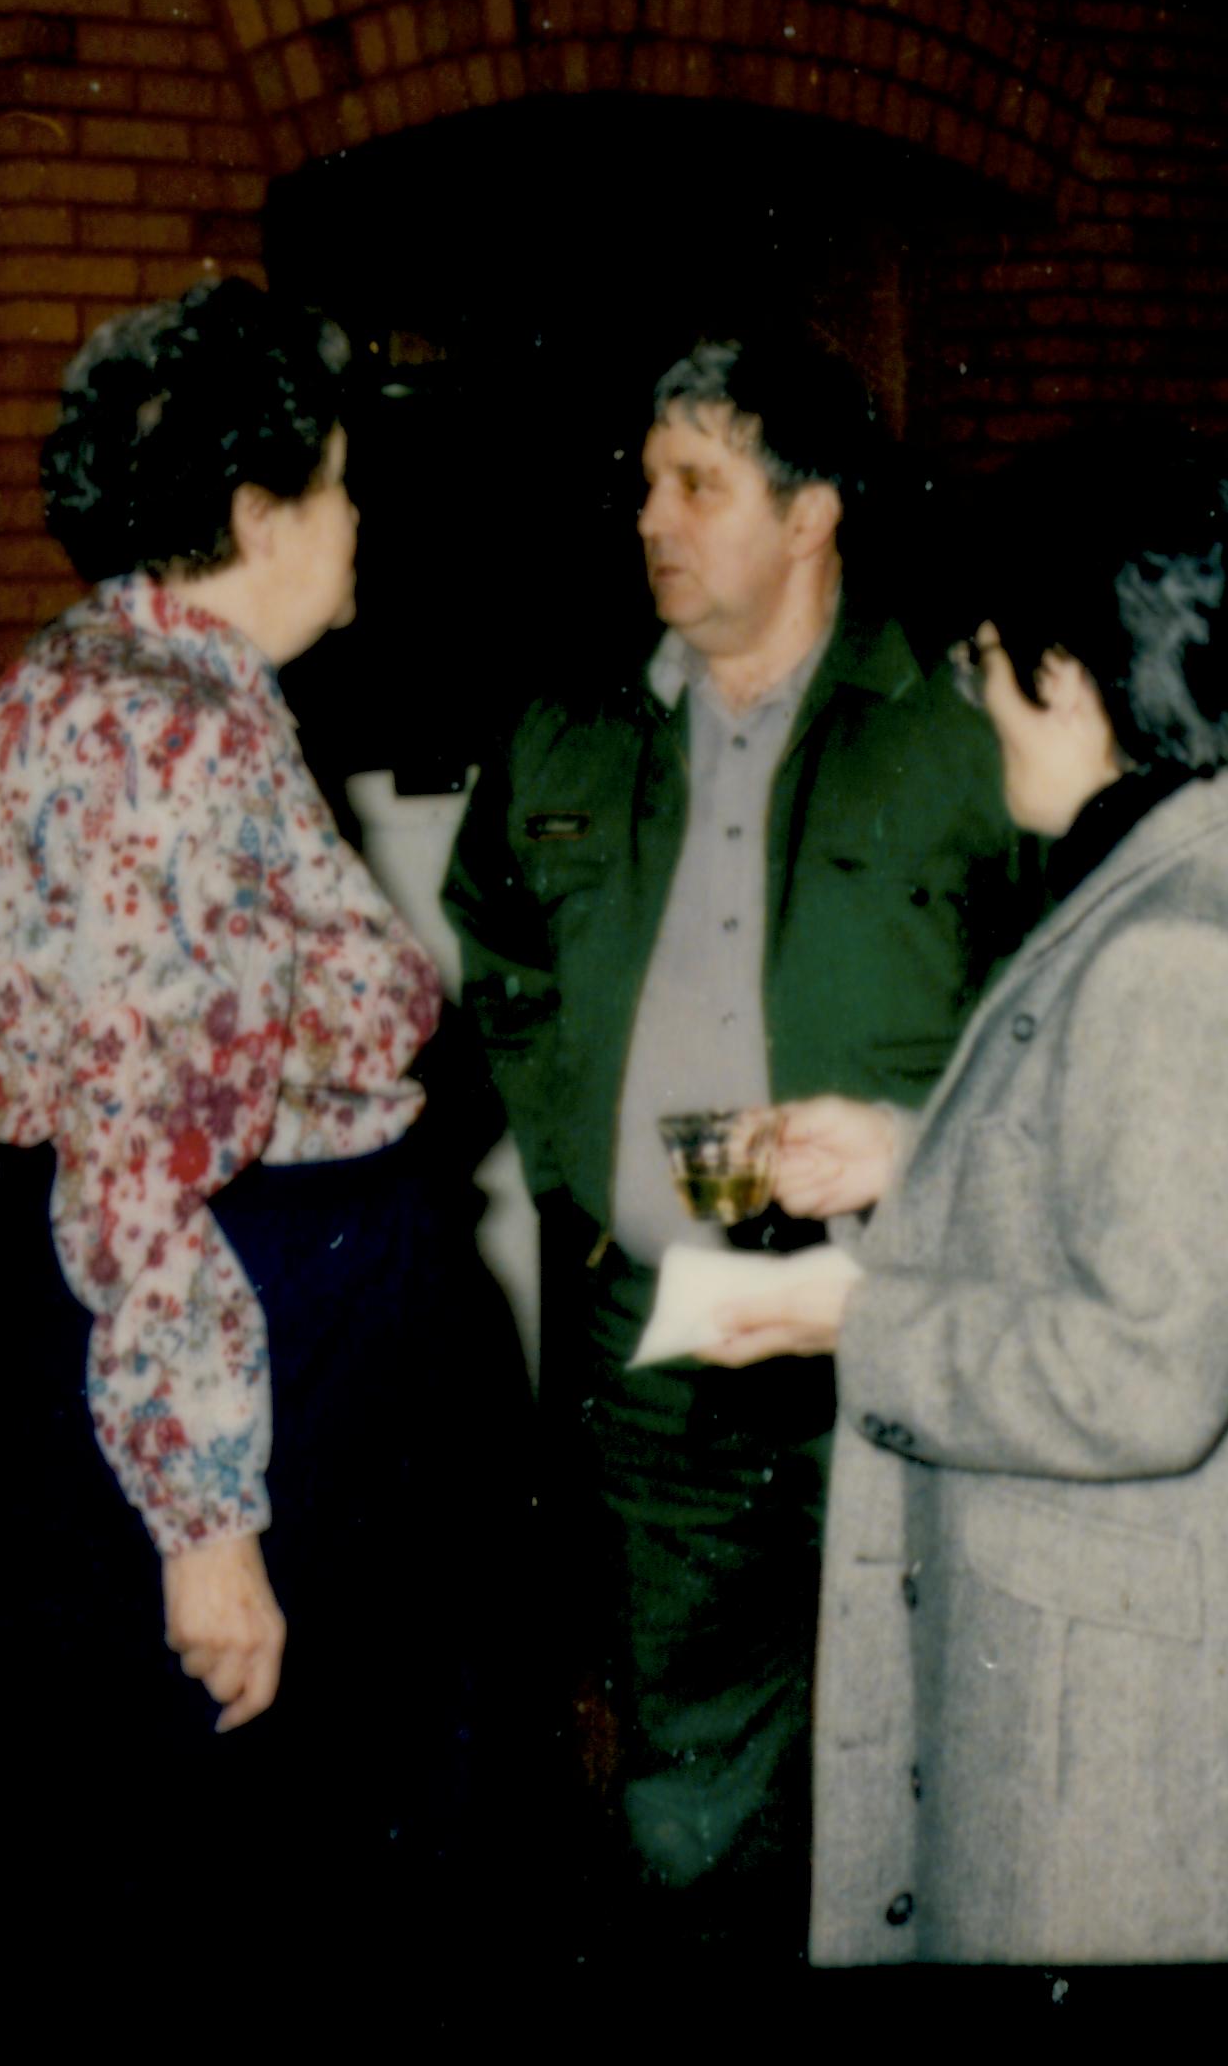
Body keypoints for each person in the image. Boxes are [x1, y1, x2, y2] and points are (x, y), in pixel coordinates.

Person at [702, 434, 1228, 1962]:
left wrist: (856, 1316)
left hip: (1126, 1742)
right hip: (1135, 1676)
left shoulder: (1184, 948)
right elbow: (1144, 1182)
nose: (979, 708)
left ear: (1075, 676)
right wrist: (907, 1154)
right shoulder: (1200, 865)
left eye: (989, 665)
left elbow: (1142, 1373)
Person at [0, 276, 531, 1955]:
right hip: (248, 1351)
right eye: (341, 485)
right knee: (252, 1884)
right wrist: (207, 1526)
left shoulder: (61, 684)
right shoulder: (179, 737)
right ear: (258, 511)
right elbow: (138, 1170)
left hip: (153, 1330)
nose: (360, 522)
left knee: (131, 1866)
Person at [441, 333, 1033, 1955]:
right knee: (692, 1755)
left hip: (892, 1316)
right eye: (648, 481)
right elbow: (492, 936)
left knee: (924, 1725)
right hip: (663, 1327)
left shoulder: (954, 726)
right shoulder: (569, 728)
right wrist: (579, 1147)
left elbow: (1053, 993)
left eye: (698, 482)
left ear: (813, 512)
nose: (654, 515)